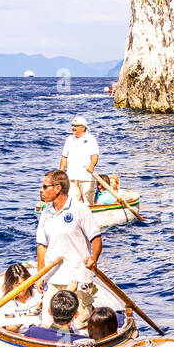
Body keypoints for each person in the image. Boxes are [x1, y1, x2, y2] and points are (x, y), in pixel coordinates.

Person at [35, 168, 102, 322]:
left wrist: (94, 258)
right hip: (53, 277)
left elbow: (96, 238)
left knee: (79, 323)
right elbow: (42, 246)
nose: (41, 190)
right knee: (47, 321)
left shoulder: (80, 210)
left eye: (45, 187)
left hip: (77, 276)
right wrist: (40, 275)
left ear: (58, 188)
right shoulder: (46, 213)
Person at [59, 115, 100, 203]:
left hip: (86, 178)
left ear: (83, 127)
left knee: (88, 203)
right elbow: (64, 157)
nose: (73, 128)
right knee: (73, 202)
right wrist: (61, 171)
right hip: (71, 177)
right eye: (72, 125)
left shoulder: (91, 139)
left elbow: (95, 156)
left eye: (76, 126)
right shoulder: (69, 139)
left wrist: (92, 165)